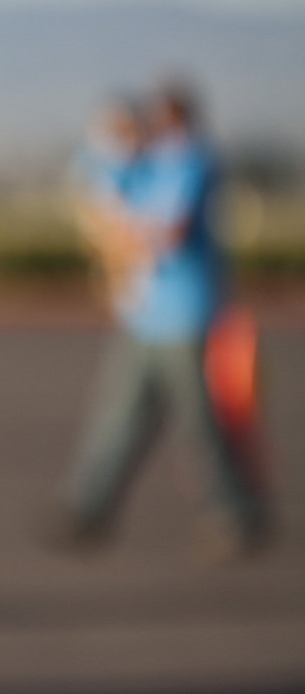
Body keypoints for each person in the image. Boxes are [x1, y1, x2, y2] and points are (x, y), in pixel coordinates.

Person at [58, 85, 267, 559]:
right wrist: (105, 142)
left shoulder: (191, 160)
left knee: (204, 422)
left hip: (186, 316)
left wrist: (123, 232)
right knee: (119, 417)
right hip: (146, 317)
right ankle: (86, 506)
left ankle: (235, 513)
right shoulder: (150, 163)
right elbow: (96, 185)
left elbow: (167, 231)